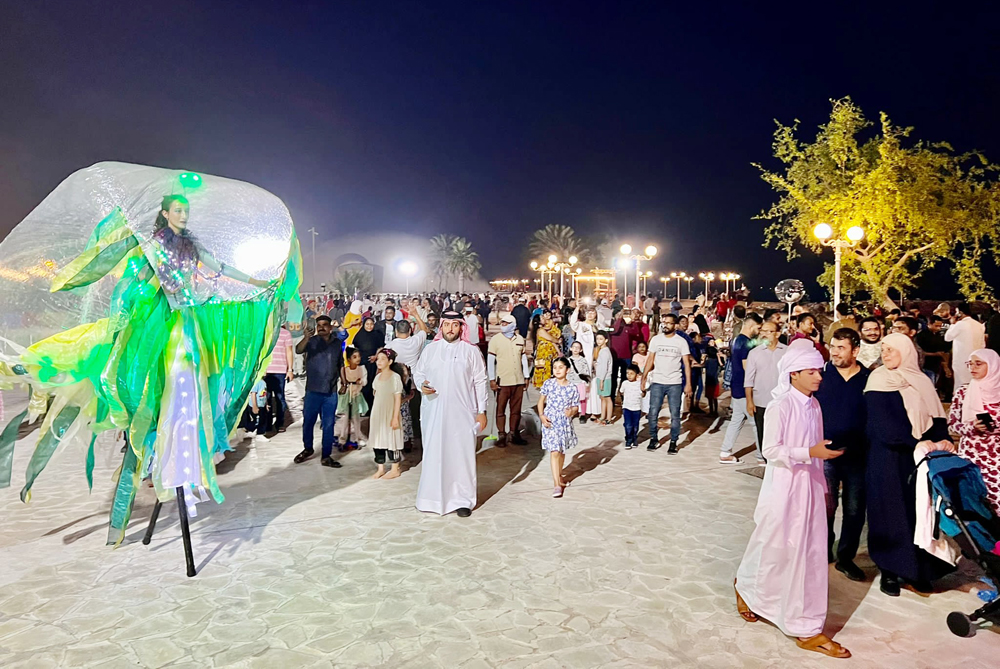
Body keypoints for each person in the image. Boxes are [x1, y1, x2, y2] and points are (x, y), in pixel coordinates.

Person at [733, 340, 850, 659]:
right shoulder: (780, 406)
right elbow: (770, 450)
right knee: (773, 543)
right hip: (784, 486)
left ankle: (805, 622)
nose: (818, 377)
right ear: (793, 373)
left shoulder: (813, 405)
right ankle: (748, 587)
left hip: (809, 485)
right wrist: (809, 452)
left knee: (809, 552)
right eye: (811, 371)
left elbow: (815, 446)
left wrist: (819, 459)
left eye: (818, 370)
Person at [864, 333, 956, 596]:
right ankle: (890, 570)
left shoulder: (921, 381)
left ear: (906, 351)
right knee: (890, 512)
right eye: (883, 349)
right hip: (889, 457)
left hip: (920, 458)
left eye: (891, 349)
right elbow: (881, 423)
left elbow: (936, 417)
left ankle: (919, 570)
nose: (886, 354)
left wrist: (943, 440)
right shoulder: (879, 379)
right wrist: (911, 441)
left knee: (920, 514)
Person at [413, 311, 489, 517]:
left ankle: (462, 500)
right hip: (434, 412)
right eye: (447, 324)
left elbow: (480, 381)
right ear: (441, 326)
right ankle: (431, 498)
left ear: (461, 327)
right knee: (434, 454)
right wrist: (421, 385)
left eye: (455, 325)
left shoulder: (470, 351)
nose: (450, 329)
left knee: (461, 456)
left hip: (463, 413)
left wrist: (481, 411)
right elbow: (418, 373)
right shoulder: (431, 350)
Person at [814, 328, 870, 582]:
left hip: (858, 455)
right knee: (825, 507)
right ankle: (823, 550)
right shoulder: (821, 377)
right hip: (824, 454)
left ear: (855, 350)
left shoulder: (869, 379)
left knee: (855, 509)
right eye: (832, 347)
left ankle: (846, 558)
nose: (834, 353)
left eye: (840, 348)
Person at [948, 349, 1000, 514]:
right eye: (970, 364)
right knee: (975, 500)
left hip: (997, 454)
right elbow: (952, 424)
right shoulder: (963, 392)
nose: (972, 368)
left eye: (978, 363)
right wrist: (972, 427)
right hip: (972, 453)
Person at [295, 315, 345, 468]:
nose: (321, 327)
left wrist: (344, 382)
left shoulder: (337, 343)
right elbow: (298, 350)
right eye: (319, 325)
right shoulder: (311, 341)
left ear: (331, 327)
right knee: (308, 422)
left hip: (331, 391)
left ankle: (326, 456)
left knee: (328, 424)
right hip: (313, 390)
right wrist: (306, 338)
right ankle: (308, 449)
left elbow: (340, 363)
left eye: (324, 325)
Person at [642, 313, 692, 454]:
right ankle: (654, 438)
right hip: (657, 381)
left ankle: (673, 441)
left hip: (675, 383)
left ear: (675, 325)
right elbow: (650, 359)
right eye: (664, 322)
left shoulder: (681, 341)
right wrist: (644, 378)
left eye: (669, 323)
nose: (665, 325)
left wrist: (688, 384)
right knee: (653, 412)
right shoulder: (656, 340)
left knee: (675, 414)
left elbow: (687, 364)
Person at [720, 313, 763, 464]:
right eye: (758, 328)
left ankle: (725, 452)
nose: (759, 331)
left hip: (737, 386)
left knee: (736, 421)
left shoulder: (737, 340)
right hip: (745, 389)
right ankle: (761, 456)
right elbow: (748, 368)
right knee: (757, 424)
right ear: (751, 326)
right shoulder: (745, 343)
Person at [538, 357, 580, 498]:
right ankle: (556, 484)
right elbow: (541, 402)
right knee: (554, 451)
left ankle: (560, 477)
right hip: (550, 422)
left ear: (567, 370)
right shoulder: (548, 383)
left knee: (561, 451)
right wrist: (542, 415)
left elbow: (575, 406)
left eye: (561, 367)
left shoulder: (572, 388)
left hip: (564, 423)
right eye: (555, 367)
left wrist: (572, 412)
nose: (557, 370)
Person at [745, 320, 787, 450]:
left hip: (782, 402)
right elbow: (748, 380)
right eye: (762, 331)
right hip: (761, 402)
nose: (764, 334)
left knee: (781, 435)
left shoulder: (787, 352)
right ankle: (766, 461)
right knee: (763, 435)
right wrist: (749, 401)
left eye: (768, 331)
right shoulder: (754, 353)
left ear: (777, 334)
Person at [488, 314, 529, 446]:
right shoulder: (495, 340)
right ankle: (501, 434)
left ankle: (513, 433)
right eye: (502, 323)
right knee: (500, 409)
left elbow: (523, 358)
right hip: (502, 380)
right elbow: (490, 360)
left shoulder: (520, 339)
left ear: (513, 325)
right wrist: (492, 379)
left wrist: (526, 376)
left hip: (518, 380)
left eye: (506, 323)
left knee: (516, 409)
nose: (503, 326)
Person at [369, 349, 405, 480]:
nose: (379, 361)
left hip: (390, 413)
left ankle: (395, 468)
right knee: (378, 440)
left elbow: (397, 399)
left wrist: (395, 417)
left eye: (383, 359)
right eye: (378, 359)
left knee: (392, 440)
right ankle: (381, 468)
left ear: (390, 361)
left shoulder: (395, 378)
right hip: (378, 414)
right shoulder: (377, 377)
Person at [945, 302, 986, 388]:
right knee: (974, 384)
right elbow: (983, 344)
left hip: (961, 361)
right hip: (976, 359)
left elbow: (947, 337)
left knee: (961, 385)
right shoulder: (979, 325)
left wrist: (952, 324)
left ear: (961, 312)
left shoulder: (960, 324)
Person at [263, 324, 294, 434]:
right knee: (265, 398)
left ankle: (280, 423)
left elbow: (289, 351)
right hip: (266, 371)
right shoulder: (264, 332)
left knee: (280, 398)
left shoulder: (285, 333)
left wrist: (290, 369)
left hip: (280, 371)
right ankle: (267, 424)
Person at [336, 347, 369, 448]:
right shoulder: (345, 370)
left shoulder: (362, 369)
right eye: (354, 357)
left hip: (356, 396)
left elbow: (365, 381)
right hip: (347, 396)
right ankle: (342, 438)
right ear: (349, 359)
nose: (357, 359)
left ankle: (359, 438)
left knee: (356, 419)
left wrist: (360, 382)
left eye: (358, 356)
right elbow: (340, 383)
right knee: (346, 418)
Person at [352, 317, 382, 411]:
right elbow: (355, 349)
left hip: (373, 364)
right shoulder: (359, 336)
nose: (369, 326)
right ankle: (362, 408)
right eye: (367, 324)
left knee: (372, 384)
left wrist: (376, 356)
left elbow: (381, 347)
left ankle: (371, 407)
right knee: (362, 384)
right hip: (362, 364)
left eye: (371, 324)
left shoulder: (377, 335)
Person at [610, 311, 641, 398]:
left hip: (626, 356)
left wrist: (634, 321)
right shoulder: (610, 328)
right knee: (613, 378)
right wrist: (619, 319)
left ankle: (624, 398)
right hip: (614, 357)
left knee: (625, 378)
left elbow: (636, 333)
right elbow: (615, 330)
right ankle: (612, 398)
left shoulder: (628, 328)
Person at [917, 315, 951, 387]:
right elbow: (919, 352)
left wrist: (946, 366)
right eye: (936, 326)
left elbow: (944, 351)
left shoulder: (939, 335)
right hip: (926, 365)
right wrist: (935, 354)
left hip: (937, 366)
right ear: (929, 324)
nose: (939, 328)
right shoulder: (921, 336)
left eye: (940, 326)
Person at [530, 311, 562, 388]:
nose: (544, 319)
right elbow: (551, 339)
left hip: (547, 353)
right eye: (542, 318)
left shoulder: (543, 329)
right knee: (544, 369)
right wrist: (558, 341)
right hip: (544, 354)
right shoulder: (540, 330)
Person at [619, 364, 643, 449]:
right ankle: (628, 440)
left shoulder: (640, 384)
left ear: (637, 375)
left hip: (637, 408)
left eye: (631, 373)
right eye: (627, 373)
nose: (629, 375)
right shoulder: (625, 383)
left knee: (635, 425)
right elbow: (621, 392)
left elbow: (643, 394)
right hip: (627, 408)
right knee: (628, 425)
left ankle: (634, 438)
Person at [592, 331, 614, 424]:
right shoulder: (601, 350)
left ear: (606, 340)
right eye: (597, 339)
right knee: (602, 397)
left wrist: (601, 380)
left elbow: (604, 368)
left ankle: (608, 418)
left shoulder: (605, 352)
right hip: (600, 377)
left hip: (605, 378)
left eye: (601, 339)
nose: (598, 341)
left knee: (607, 398)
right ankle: (603, 416)